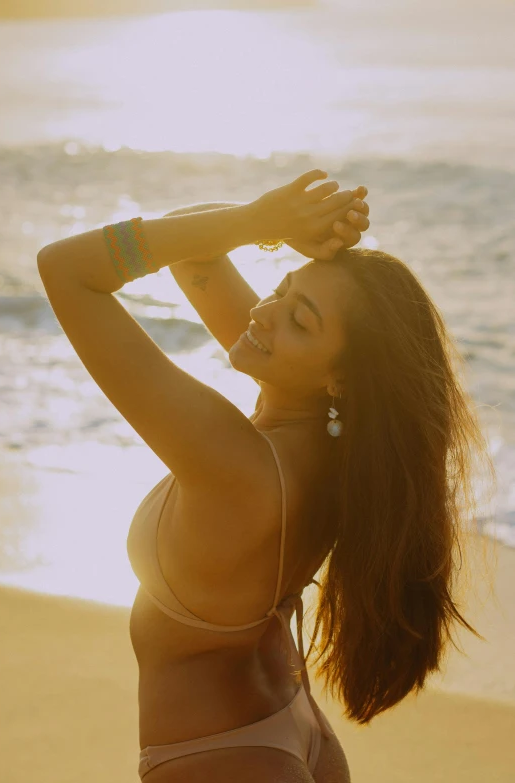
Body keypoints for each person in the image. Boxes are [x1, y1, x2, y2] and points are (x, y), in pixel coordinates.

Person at [37, 170, 492, 783]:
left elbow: (65, 267)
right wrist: (280, 226)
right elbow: (195, 243)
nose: (265, 312)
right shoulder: (335, 436)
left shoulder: (237, 464)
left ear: (342, 377)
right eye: (281, 287)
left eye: (300, 320)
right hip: (280, 731)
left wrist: (258, 224)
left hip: (219, 757)